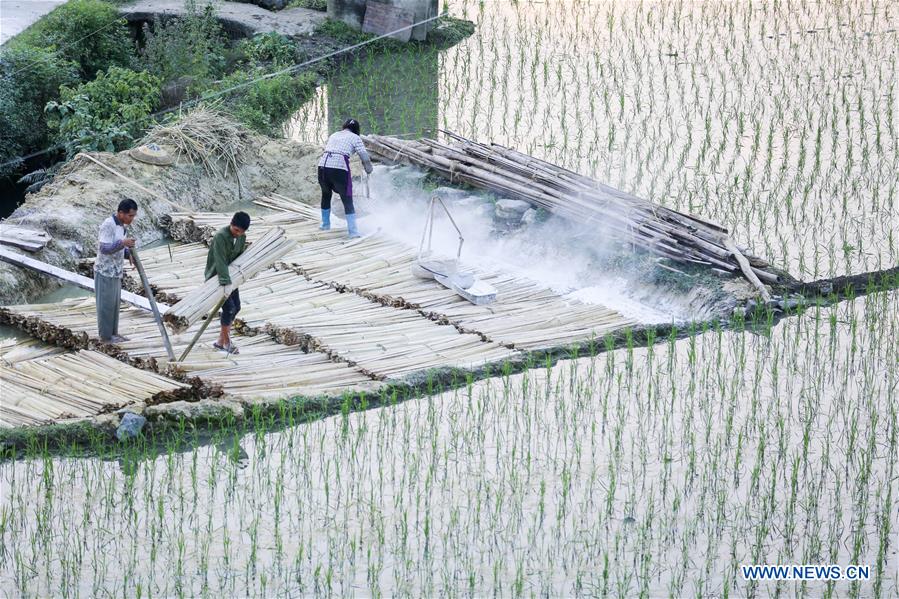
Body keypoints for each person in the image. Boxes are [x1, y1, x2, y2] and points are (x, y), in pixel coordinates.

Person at [317, 118, 374, 238]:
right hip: (338, 168)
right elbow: (365, 158)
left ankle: (325, 225)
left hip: (322, 166)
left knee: (326, 194)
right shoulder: (355, 137)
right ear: (356, 130)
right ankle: (353, 232)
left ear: (344, 127)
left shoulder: (334, 135)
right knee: (347, 199)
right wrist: (369, 170)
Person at [205, 211, 250, 354]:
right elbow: (220, 261)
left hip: (232, 277)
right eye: (236, 230)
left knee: (236, 307)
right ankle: (227, 342)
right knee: (228, 308)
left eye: (241, 232)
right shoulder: (220, 237)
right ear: (231, 223)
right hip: (217, 278)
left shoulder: (241, 237)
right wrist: (225, 283)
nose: (238, 234)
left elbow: (240, 257)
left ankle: (220, 341)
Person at [95, 198, 138, 343]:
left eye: (133, 216)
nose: (132, 219)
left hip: (116, 271)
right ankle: (105, 337)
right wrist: (123, 243)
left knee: (114, 305)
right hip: (105, 271)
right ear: (121, 213)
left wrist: (128, 254)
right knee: (105, 305)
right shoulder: (109, 225)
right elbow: (104, 248)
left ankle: (113, 333)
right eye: (130, 215)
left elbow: (118, 248)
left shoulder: (122, 227)